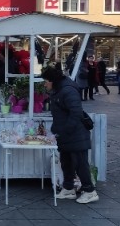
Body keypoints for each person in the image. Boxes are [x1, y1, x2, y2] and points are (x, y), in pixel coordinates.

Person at [41, 66, 98, 204]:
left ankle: (90, 191)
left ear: (52, 80)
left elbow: (76, 113)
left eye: (46, 81)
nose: (44, 84)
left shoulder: (68, 90)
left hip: (75, 134)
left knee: (80, 163)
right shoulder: (58, 90)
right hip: (65, 134)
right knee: (66, 162)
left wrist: (66, 130)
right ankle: (68, 188)